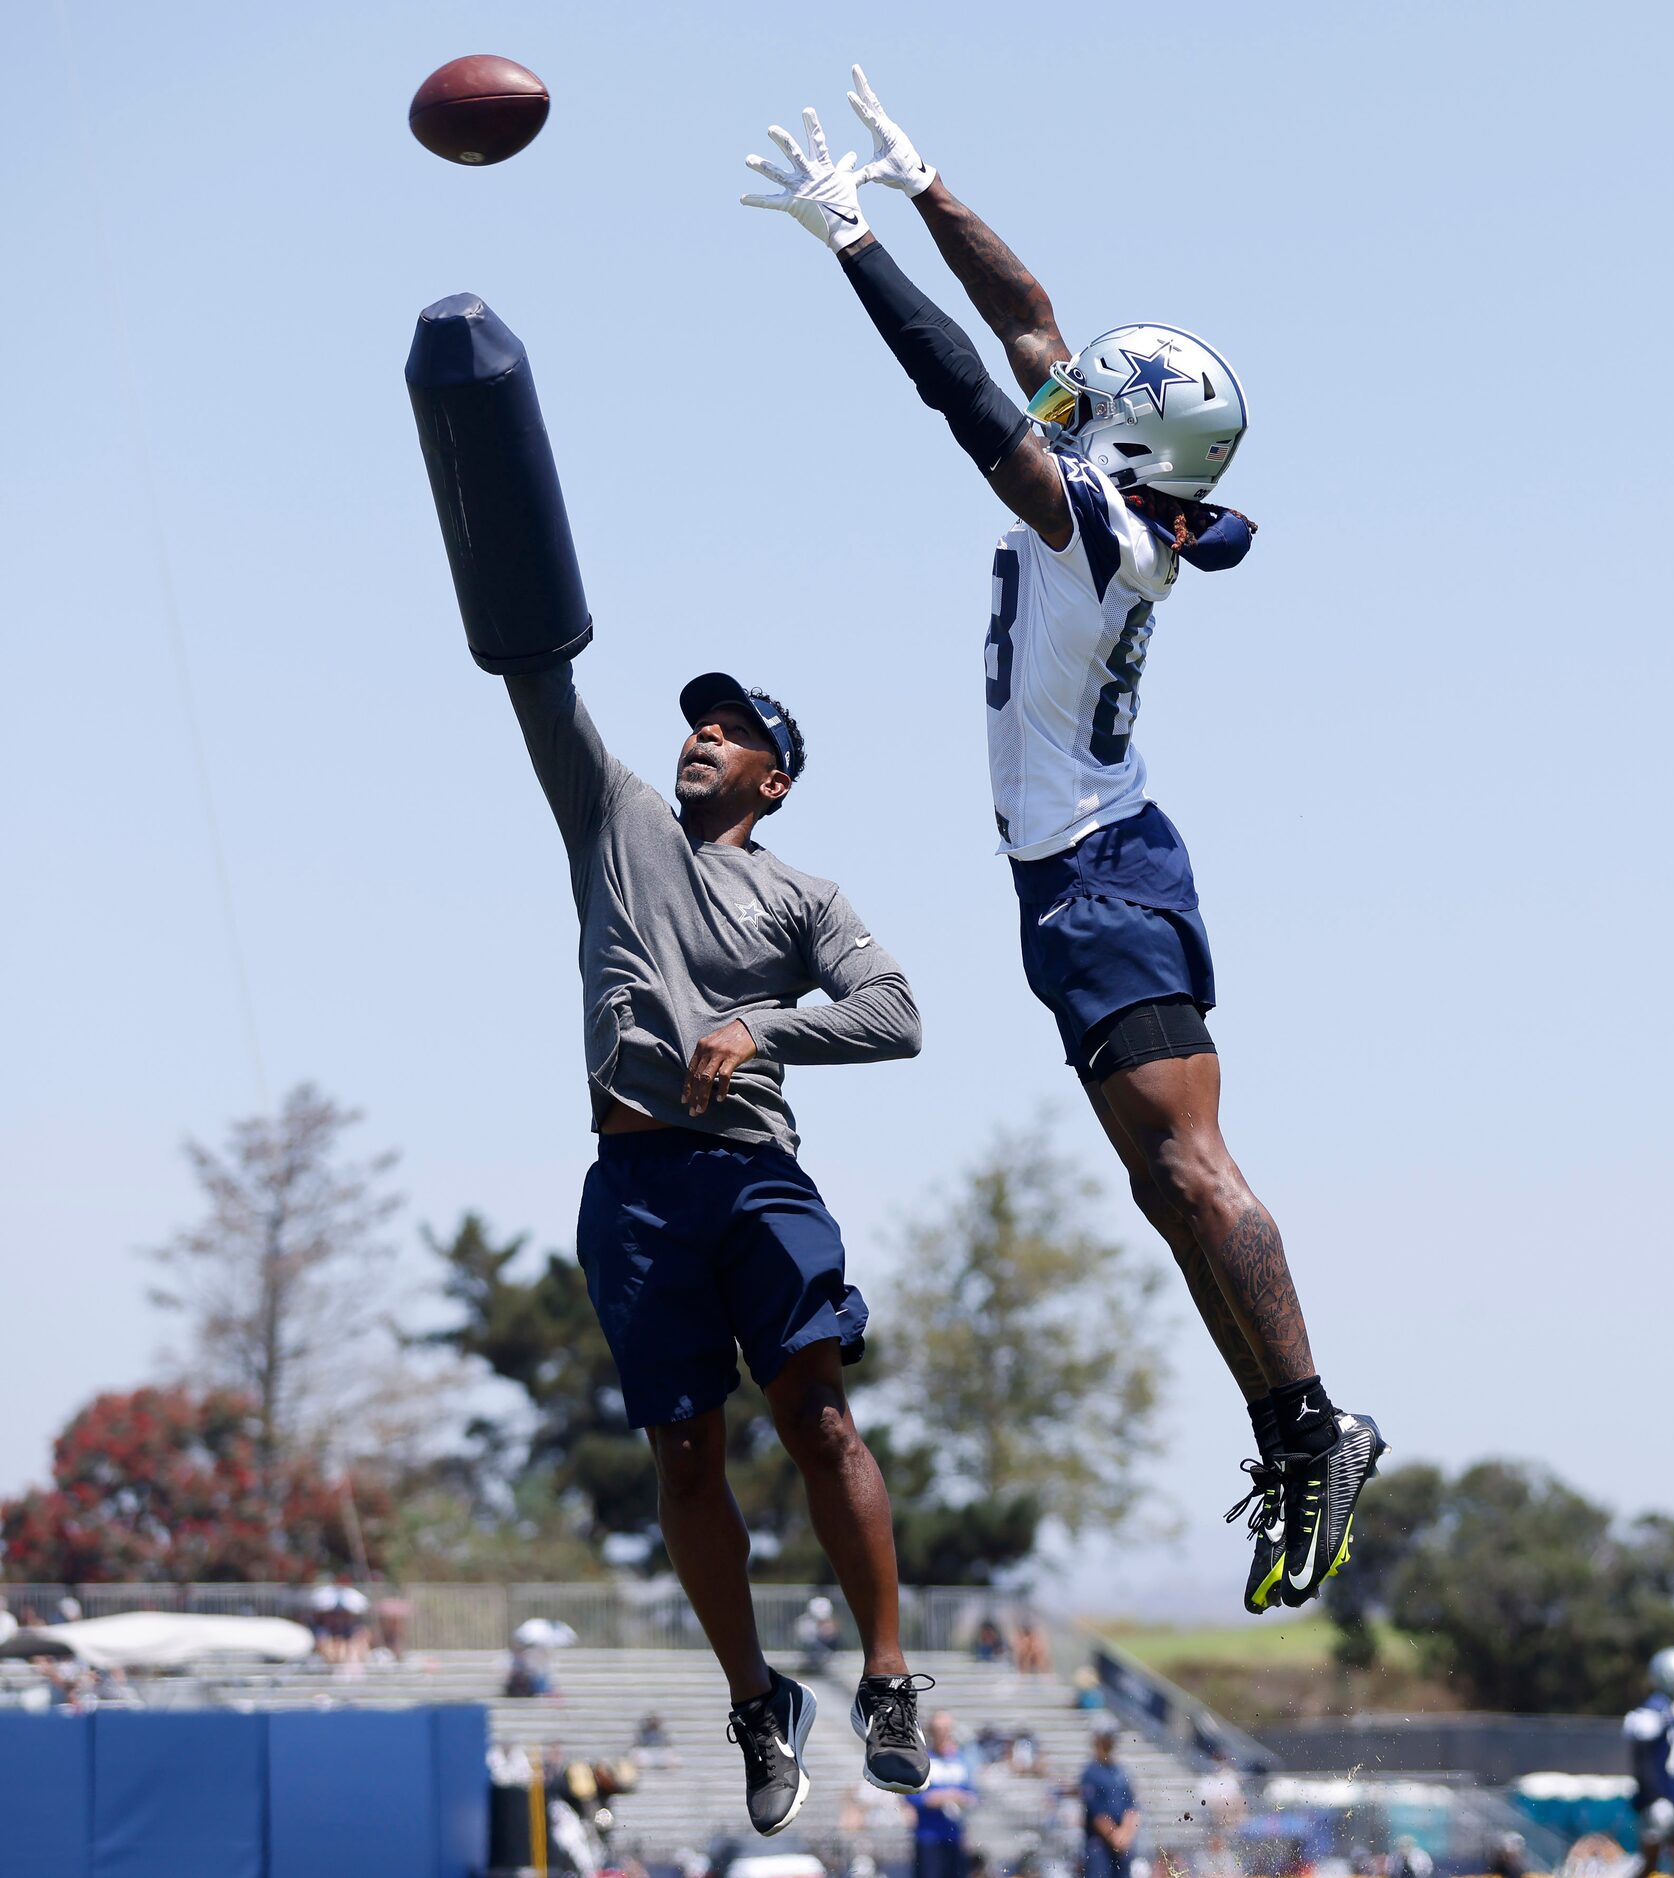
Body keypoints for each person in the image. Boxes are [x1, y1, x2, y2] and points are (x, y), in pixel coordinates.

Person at [740, 66, 1384, 1613]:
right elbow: (1032, 322)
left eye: (1094, 406)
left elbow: (970, 395)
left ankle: (1317, 1419)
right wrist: (927, 185)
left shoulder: (1095, 525)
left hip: (1100, 870)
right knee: (1164, 1185)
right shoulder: (1127, 484)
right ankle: (1290, 1430)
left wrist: (851, 249)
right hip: (1084, 865)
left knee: (1188, 1163)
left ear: (1135, 450)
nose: (1067, 393)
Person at [500, 655, 932, 1833]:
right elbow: (538, 685)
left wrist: (763, 1028)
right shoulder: (614, 815)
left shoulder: (803, 897)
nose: (702, 735)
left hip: (755, 1176)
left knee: (818, 1417)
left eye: (733, 730)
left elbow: (896, 1015)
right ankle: (759, 1703)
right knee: (683, 1457)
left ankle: (888, 1680)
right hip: (633, 1184)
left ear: (774, 780)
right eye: (697, 720)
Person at [1624, 1647, 1674, 1878]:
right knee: (1649, 1862)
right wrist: (1654, 1796)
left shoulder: (1671, 1711)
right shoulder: (1651, 1711)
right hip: (1659, 1798)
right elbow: (1642, 1756)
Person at [906, 1712, 978, 1878]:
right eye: (938, 1729)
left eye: (946, 1729)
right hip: (929, 1837)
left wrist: (961, 1798)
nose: (943, 1734)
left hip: (955, 1836)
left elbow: (972, 1794)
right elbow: (911, 1796)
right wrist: (939, 1797)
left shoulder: (961, 1761)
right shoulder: (923, 1761)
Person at [1078, 1722, 1139, 1878]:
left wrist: (1125, 1835)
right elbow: (1097, 1814)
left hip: (1122, 1843)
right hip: (1100, 1843)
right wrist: (1115, 1837)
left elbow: (1131, 1808)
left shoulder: (1121, 1772)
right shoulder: (1090, 1773)